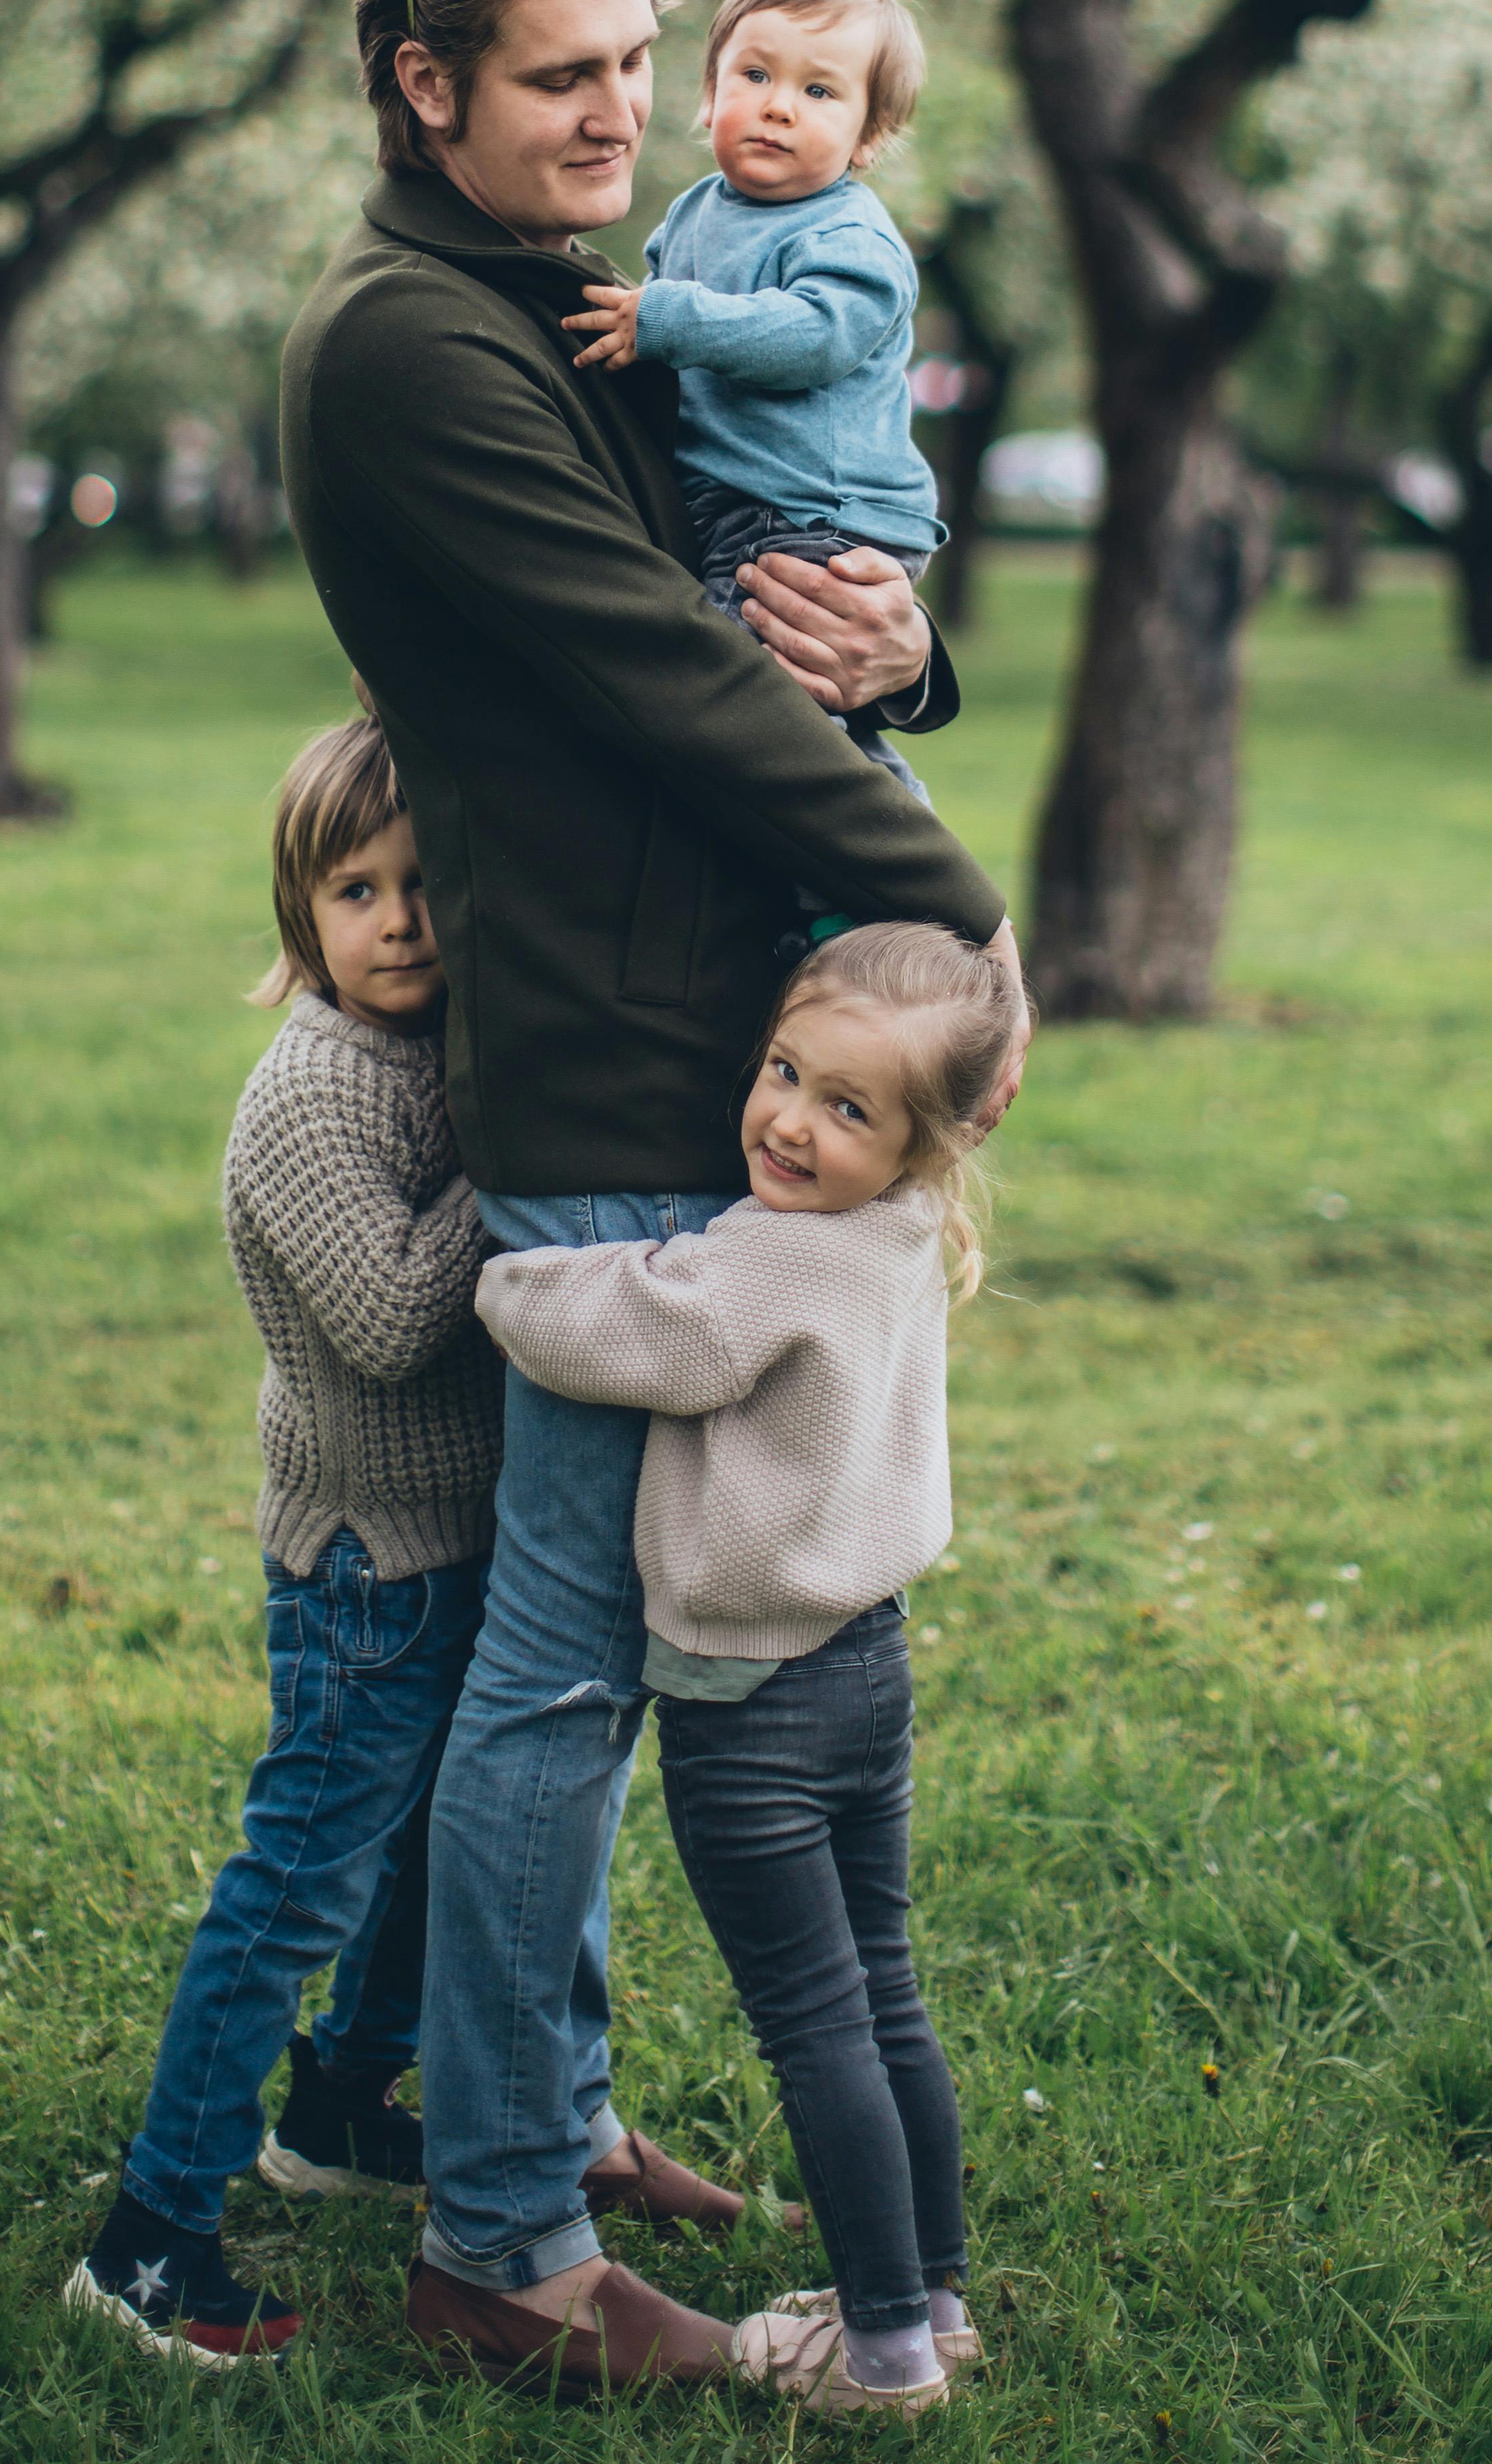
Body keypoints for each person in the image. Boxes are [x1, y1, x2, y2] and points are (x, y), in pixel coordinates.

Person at [279, 0, 1026, 2397]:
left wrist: (893, 649)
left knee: (570, 1647)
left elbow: (760, 593)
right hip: (601, 1049)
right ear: (426, 86)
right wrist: (959, 918)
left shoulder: (559, 283)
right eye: (568, 75)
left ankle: (525, 2100)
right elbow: (649, 669)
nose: (630, 112)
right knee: (568, 1670)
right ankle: (498, 2230)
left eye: (639, 55)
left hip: (708, 1025)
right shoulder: (408, 340)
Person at [477, 922, 1009, 2423]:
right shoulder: (906, 1229)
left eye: (848, 1107)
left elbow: (630, 1324)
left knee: (816, 2018)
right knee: (887, 1991)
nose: (789, 1119)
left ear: (924, 1137)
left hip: (748, 1704)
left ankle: (882, 2348)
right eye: (785, 1071)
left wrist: (501, 1269)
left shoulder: (770, 1256)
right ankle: (934, 2293)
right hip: (868, 1667)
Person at [65, 719, 501, 2372]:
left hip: (447, 1545)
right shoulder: (313, 1094)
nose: (397, 920)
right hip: (358, 1568)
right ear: (296, 912)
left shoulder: (425, 1049)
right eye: (354, 888)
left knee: (423, 1858)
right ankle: (151, 2238)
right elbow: (394, 1318)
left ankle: (332, 2109)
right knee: (295, 1885)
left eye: (422, 883)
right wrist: (509, 1149)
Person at [563, 0, 942, 792]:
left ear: (867, 136)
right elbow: (668, 354)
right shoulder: (697, 210)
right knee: (770, 701)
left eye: (820, 92)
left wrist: (662, 318)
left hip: (820, 511)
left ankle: (886, 851)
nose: (778, 104)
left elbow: (812, 338)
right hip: (740, 500)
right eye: (757, 73)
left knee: (751, 698)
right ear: (709, 95)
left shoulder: (853, 238)